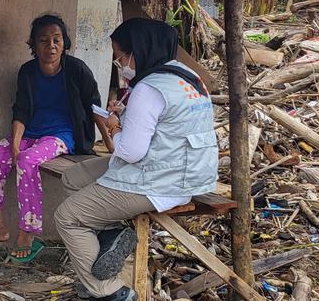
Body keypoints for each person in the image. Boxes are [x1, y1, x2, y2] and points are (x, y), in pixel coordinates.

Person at [54, 18, 218, 301]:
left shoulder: (149, 89)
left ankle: (110, 292)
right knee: (73, 178)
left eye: (120, 55)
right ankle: (111, 236)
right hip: (184, 171)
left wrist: (114, 126)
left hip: (156, 181)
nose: (120, 62)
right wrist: (126, 116)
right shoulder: (186, 76)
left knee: (68, 217)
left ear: (139, 50)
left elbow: (130, 151)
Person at [0, 15, 101, 261]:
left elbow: (95, 108)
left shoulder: (76, 70)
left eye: (56, 40)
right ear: (33, 44)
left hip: (61, 135)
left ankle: (27, 232)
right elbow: (20, 110)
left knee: (28, 161)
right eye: (43, 40)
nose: (51, 46)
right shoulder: (28, 72)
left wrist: (109, 143)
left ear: (64, 43)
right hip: (30, 133)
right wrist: (14, 144)